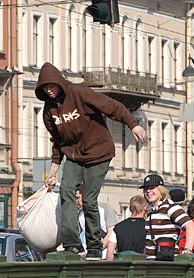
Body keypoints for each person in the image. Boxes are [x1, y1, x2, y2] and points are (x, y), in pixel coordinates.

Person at [35, 62, 147, 261]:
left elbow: (113, 107)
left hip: (99, 153)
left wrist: (133, 125)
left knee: (88, 198)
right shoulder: (49, 110)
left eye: (52, 86)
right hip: (74, 156)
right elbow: (57, 140)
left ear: (59, 83)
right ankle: (72, 243)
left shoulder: (80, 93)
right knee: (66, 190)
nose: (50, 91)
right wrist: (53, 169)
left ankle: (94, 244)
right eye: (45, 88)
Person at [141, 174, 194, 260]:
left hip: (167, 261)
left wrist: (187, 249)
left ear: (161, 189)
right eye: (146, 188)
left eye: (152, 188)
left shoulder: (170, 207)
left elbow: (190, 226)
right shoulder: (151, 210)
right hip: (151, 261)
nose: (148, 191)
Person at [75, 185, 116, 259]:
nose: (76, 201)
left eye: (78, 198)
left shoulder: (105, 209)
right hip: (86, 255)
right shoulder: (79, 214)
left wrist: (98, 249)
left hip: (104, 255)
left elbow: (111, 232)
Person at [106, 195, 146, 259]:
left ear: (130, 208)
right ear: (145, 208)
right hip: (141, 265)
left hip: (122, 263)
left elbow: (110, 250)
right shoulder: (148, 226)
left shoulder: (118, 227)